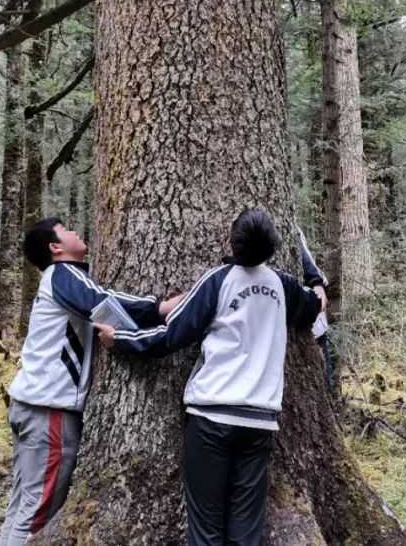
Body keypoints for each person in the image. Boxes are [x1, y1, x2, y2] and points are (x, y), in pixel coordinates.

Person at [95, 209, 327, 546]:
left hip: (210, 420)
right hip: (260, 422)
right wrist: (317, 282)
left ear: (230, 243)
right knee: (245, 533)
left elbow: (171, 334)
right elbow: (314, 306)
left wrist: (120, 340)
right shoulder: (284, 285)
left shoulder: (218, 280)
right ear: (273, 247)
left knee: (206, 530)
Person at [0, 218, 181, 546]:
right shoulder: (63, 274)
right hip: (48, 411)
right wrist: (159, 309)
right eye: (66, 230)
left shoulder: (57, 279)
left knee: (22, 506)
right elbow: (101, 303)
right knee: (36, 515)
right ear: (56, 248)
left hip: (30, 406)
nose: (75, 231)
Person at [295, 224, 333, 390]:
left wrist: (317, 282)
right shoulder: (292, 228)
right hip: (300, 317)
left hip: (312, 322)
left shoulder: (291, 227)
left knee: (322, 376)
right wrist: (317, 281)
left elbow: (306, 258)